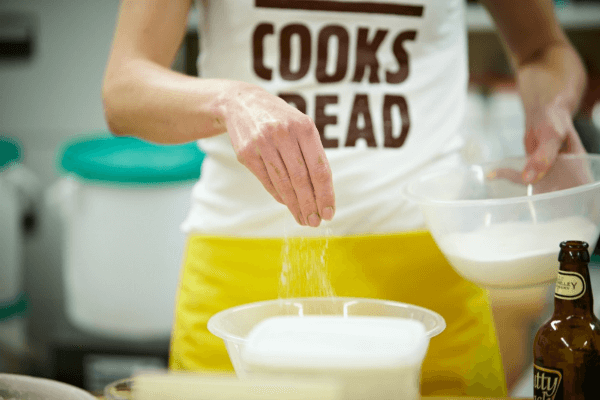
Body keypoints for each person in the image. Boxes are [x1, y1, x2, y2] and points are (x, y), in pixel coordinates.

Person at [101, 0, 588, 396]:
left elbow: (542, 48)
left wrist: (551, 105)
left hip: (427, 286)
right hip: (243, 289)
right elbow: (124, 88)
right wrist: (230, 100)